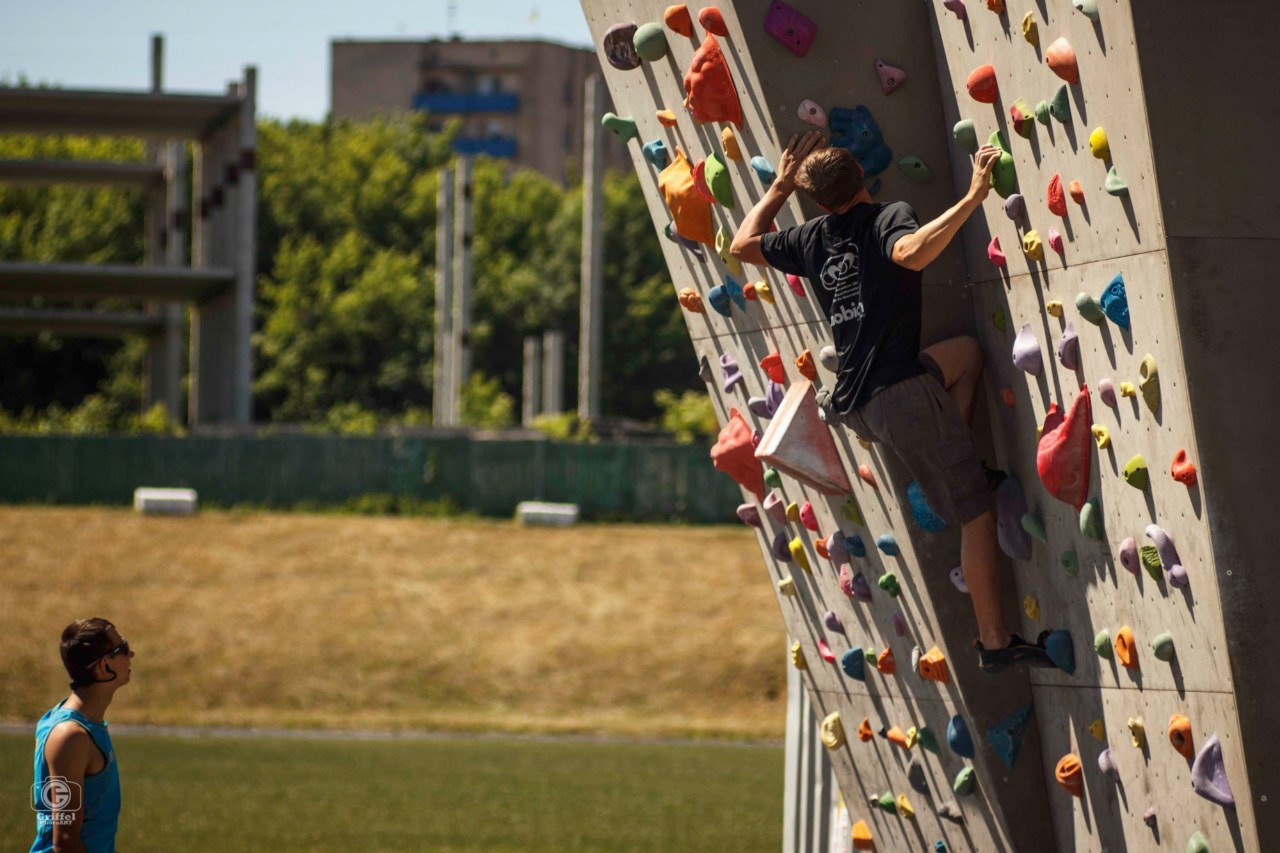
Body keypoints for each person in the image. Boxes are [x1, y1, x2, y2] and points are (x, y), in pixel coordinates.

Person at [730, 130, 1053, 672]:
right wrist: (973, 197)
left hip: (859, 400)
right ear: (861, 176)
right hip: (899, 393)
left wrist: (779, 188)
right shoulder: (887, 217)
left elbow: (741, 245)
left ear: (818, 199)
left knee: (966, 355)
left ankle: (959, 468)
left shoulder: (810, 237)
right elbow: (908, 252)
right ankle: (995, 643)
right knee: (976, 514)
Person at [30, 618, 132, 853]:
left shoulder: (85, 725)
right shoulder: (71, 736)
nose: (132, 654)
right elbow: (65, 841)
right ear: (104, 666)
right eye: (123, 648)